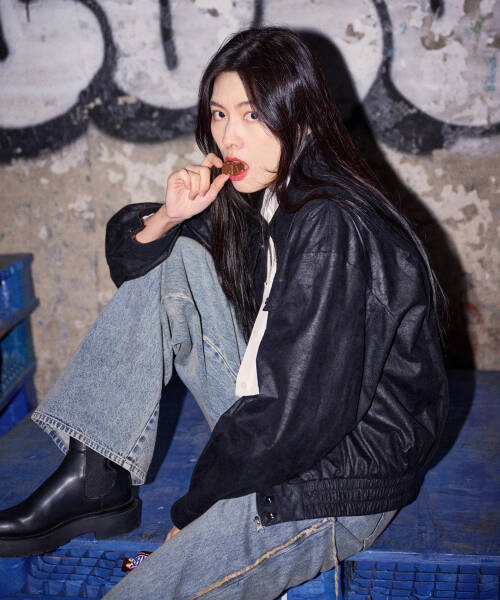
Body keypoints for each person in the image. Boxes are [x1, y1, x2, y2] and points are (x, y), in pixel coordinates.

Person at [0, 26, 449, 599]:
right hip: (290, 426)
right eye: (219, 114)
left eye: (253, 115)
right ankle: (94, 476)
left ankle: (102, 486)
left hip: (334, 477)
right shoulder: (268, 193)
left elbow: (295, 417)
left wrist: (195, 509)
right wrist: (169, 216)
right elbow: (135, 266)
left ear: (303, 119)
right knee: (174, 256)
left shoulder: (329, 223)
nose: (230, 135)